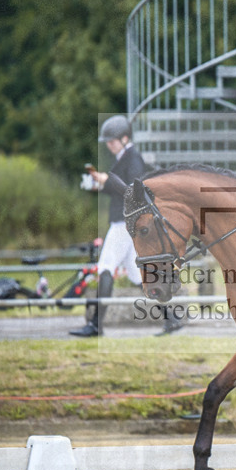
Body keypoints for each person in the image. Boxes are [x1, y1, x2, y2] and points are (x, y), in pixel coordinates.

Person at [71, 115, 149, 337]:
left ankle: (96, 325)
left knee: (106, 267)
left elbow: (133, 192)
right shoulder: (124, 157)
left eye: (112, 140)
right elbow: (119, 189)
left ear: (125, 138)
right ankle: (171, 317)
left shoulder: (133, 159)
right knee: (137, 277)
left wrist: (107, 179)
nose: (109, 144)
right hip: (123, 222)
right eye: (107, 141)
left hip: (123, 224)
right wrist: (100, 185)